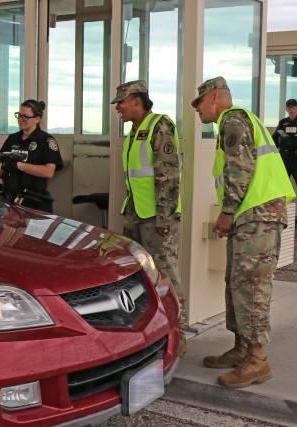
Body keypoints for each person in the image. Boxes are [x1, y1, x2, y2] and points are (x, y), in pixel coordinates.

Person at [192, 76, 296, 388]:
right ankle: (242, 348)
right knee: (237, 282)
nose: (197, 111)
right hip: (250, 215)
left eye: (199, 103)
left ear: (214, 98)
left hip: (257, 214)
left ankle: (257, 359)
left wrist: (226, 212)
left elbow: (240, 168)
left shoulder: (233, 120)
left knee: (251, 287)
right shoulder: (239, 120)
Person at [111, 80, 187, 356]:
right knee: (139, 275)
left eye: (121, 102)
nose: (118, 108)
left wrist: (165, 220)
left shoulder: (159, 126)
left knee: (166, 274)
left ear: (136, 100)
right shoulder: (135, 131)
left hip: (156, 217)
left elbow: (168, 178)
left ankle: (178, 333)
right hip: (136, 213)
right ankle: (150, 331)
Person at [0, 99, 63, 213]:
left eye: (25, 116)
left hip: (35, 202)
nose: (20, 119)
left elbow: (48, 172)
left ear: (37, 119)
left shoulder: (45, 140)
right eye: (19, 115)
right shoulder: (12, 139)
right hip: (10, 200)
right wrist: (3, 167)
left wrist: (20, 165)